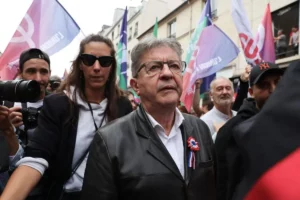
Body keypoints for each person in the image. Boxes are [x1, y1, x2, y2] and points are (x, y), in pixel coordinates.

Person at [0, 34, 132, 200]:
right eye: (89, 59)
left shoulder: (123, 106)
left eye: (105, 61)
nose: (97, 67)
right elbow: (36, 157)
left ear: (112, 66)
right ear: (80, 65)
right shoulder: (57, 105)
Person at [81, 37, 216, 200]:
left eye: (174, 66)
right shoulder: (109, 141)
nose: (167, 74)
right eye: (154, 67)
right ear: (136, 85)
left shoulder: (200, 128)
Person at [215, 62, 283, 200]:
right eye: (264, 85)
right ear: (251, 92)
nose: (273, 89)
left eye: (278, 82)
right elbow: (224, 184)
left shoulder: (292, 121)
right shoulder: (231, 132)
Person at [0, 48, 51, 195]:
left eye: (43, 71)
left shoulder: (61, 106)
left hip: (50, 186)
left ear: (49, 73)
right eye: (31, 71)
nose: (38, 78)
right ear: (21, 72)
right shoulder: (7, 104)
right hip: (12, 183)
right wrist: (6, 131)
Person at [200, 76, 236, 141]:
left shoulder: (239, 115)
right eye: (219, 89)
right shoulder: (204, 122)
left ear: (233, 93)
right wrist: (218, 134)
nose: (225, 92)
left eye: (228, 88)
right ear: (211, 95)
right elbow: (204, 149)